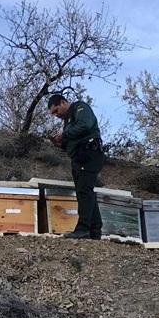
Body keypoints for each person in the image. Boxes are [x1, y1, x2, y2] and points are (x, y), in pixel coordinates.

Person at [47, 94, 104, 239]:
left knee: (85, 191)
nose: (56, 115)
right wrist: (60, 142)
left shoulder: (80, 107)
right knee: (83, 192)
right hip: (78, 157)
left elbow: (84, 125)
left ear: (63, 102)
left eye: (56, 110)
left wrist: (64, 134)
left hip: (89, 153)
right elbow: (71, 142)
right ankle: (95, 230)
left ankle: (83, 229)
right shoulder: (67, 121)